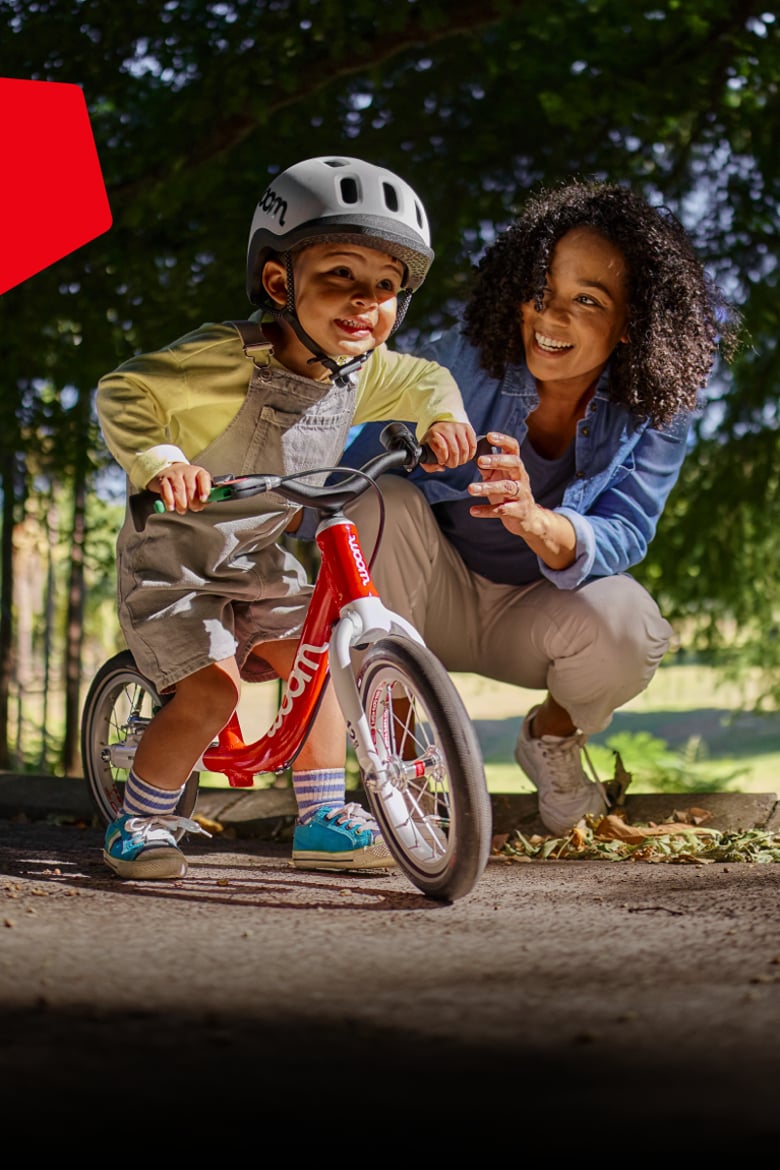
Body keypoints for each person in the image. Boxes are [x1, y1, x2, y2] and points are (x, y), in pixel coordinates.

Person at [95, 155, 476, 880]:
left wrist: (441, 419)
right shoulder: (220, 361)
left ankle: (323, 816)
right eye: (340, 274)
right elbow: (125, 391)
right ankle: (140, 817)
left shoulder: (359, 370)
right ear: (279, 282)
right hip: (175, 564)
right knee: (212, 690)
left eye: (386, 285)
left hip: (257, 562)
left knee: (324, 656)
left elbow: (429, 380)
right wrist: (163, 461)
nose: (366, 301)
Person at [338, 178, 740, 837]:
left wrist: (534, 518)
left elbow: (626, 530)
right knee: (380, 496)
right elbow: (336, 455)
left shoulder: (656, 412)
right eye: (542, 291)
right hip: (422, 597)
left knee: (632, 627)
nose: (551, 319)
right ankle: (398, 763)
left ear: (631, 324)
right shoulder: (460, 365)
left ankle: (550, 740)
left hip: (533, 616)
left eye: (586, 300)